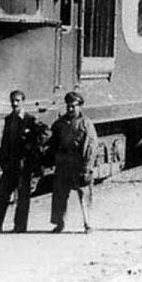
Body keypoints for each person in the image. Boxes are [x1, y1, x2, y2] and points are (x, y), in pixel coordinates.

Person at [0, 90, 49, 233]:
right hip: (10, 164)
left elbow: (46, 132)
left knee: (23, 196)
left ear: (23, 102)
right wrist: (3, 160)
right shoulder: (8, 120)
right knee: (1, 194)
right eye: (12, 100)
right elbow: (5, 142)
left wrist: (33, 146)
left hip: (24, 164)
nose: (14, 103)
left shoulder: (30, 120)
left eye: (18, 101)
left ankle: (20, 227)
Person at [49, 91, 97, 233]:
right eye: (68, 106)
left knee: (84, 194)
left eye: (73, 106)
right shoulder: (60, 123)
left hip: (79, 163)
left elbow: (91, 146)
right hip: (63, 163)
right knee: (59, 194)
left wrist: (87, 167)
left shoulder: (85, 123)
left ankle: (88, 224)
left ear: (80, 106)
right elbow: (53, 142)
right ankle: (59, 223)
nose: (70, 109)